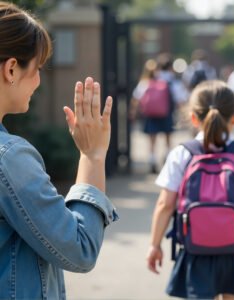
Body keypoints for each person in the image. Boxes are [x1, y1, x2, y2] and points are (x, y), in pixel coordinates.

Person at [0, 2, 117, 299]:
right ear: (12, 69)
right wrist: (92, 155)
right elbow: (79, 248)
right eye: (37, 68)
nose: (38, 80)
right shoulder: (9, 158)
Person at [147, 80, 234, 300]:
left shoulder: (181, 154)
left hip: (196, 248)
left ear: (193, 117)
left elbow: (165, 205)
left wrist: (155, 245)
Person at [130, 54, 186, 174]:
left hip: (151, 114)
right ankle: (167, 159)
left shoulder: (149, 79)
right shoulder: (172, 82)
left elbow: (137, 96)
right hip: (167, 114)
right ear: (171, 67)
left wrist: (134, 111)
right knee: (168, 139)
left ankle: (152, 160)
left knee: (152, 140)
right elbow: (180, 99)